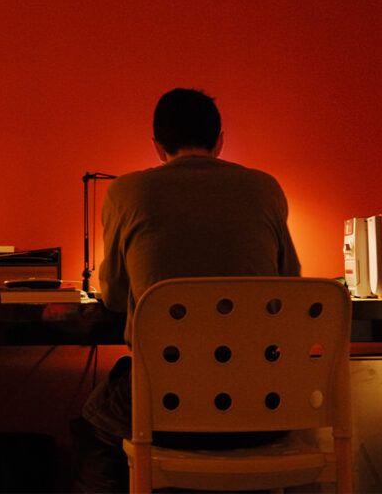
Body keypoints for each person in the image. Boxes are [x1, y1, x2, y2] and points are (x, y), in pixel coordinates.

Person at [73, 87, 301, 492]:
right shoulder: (266, 188)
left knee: (93, 426)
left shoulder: (127, 192)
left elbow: (113, 297)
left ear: (158, 147)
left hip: (165, 410)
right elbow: (290, 288)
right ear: (220, 141)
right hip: (261, 407)